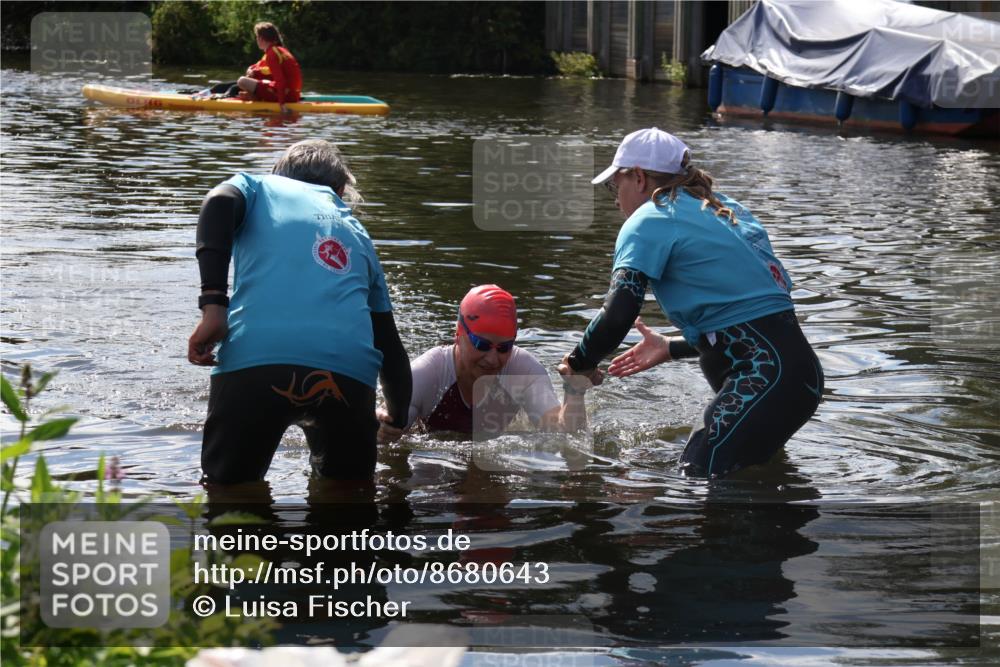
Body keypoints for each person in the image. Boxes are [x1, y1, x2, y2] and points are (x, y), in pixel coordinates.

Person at [560, 127, 823, 478]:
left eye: (614, 185)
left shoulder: (649, 218)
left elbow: (618, 314)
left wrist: (579, 364)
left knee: (695, 480)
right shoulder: (725, 209)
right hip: (798, 377)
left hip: (763, 379)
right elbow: (752, 320)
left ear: (638, 177)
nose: (615, 199)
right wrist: (672, 347)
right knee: (757, 482)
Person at [188, 139, 411, 485]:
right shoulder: (359, 234)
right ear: (340, 191)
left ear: (279, 173)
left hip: (257, 362)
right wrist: (396, 418)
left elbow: (218, 202)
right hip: (347, 377)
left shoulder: (259, 186)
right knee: (346, 501)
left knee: (229, 494)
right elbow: (389, 346)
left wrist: (214, 305)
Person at [377, 284, 599, 443]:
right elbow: (389, 431)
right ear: (458, 335)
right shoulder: (428, 373)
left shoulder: (524, 370)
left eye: (504, 347)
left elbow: (565, 437)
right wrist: (381, 428)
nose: (493, 359)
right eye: (481, 344)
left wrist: (575, 390)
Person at [236, 22, 302, 111]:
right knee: (254, 76)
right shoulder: (279, 50)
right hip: (293, 94)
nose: (256, 40)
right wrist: (251, 70)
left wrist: (282, 104)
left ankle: (254, 99)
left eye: (257, 37)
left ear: (261, 38)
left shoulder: (272, 54)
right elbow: (258, 65)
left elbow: (280, 80)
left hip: (287, 96)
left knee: (242, 81)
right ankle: (253, 97)